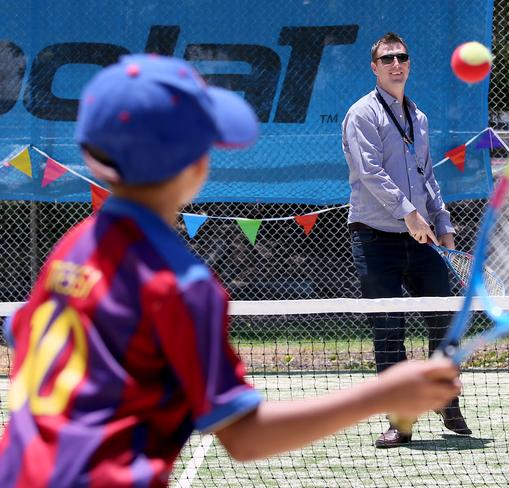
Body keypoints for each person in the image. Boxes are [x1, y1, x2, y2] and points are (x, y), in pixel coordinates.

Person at [0, 54, 461, 487]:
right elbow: (246, 436)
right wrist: (382, 396)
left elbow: (23, 336)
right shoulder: (180, 285)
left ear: (92, 155)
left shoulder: (73, 246)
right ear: (195, 165)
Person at [342, 33, 472, 448]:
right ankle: (401, 421)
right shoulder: (362, 114)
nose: (396, 63)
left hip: (423, 240)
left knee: (444, 322)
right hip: (374, 239)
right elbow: (370, 173)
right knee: (388, 330)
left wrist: (442, 222)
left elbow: (427, 177)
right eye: (387, 58)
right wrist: (409, 214)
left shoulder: (419, 117)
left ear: (408, 64)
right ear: (375, 67)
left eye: (402, 57)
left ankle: (443, 398)